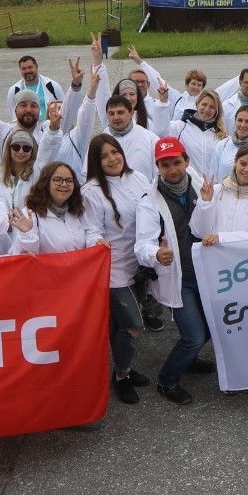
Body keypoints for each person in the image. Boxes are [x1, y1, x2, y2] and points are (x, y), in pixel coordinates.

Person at [138, 139, 215, 405]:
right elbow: (142, 244)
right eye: (165, 165)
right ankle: (167, 381)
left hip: (204, 274)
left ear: (187, 161)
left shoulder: (201, 187)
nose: (172, 170)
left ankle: (190, 359)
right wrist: (156, 254)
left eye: (177, 162)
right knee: (193, 336)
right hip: (179, 279)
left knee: (210, 328)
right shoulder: (149, 202)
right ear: (157, 167)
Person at [82, 135, 156, 403]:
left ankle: (122, 368)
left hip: (139, 262)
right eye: (104, 156)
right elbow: (90, 228)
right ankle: (121, 376)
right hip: (113, 269)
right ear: (96, 161)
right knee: (133, 325)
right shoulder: (91, 191)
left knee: (120, 323)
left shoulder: (138, 177)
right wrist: (95, 241)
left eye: (115, 152)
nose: (112, 159)